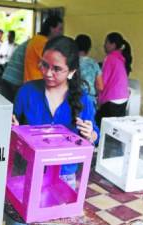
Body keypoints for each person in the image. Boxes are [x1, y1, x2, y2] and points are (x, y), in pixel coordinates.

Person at [13, 36, 99, 189]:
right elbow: (14, 125)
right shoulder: (27, 92)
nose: (48, 73)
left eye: (57, 69)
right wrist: (13, 126)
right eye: (45, 65)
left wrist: (90, 134)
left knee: (59, 211)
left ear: (72, 71)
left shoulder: (82, 99)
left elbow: (95, 134)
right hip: (31, 170)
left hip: (64, 173)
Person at [95, 32, 132, 127]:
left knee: (100, 126)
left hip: (112, 99)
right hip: (123, 98)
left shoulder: (110, 58)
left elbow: (102, 83)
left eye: (106, 42)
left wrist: (97, 98)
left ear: (113, 45)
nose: (104, 45)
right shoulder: (121, 58)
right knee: (115, 129)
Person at [23, 15, 63, 82]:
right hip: (36, 83)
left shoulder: (37, 39)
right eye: (60, 29)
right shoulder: (42, 42)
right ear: (51, 29)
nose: (61, 32)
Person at [75, 34, 101, 105]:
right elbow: (100, 86)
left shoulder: (70, 62)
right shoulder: (94, 64)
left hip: (73, 99)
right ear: (89, 48)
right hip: (89, 100)